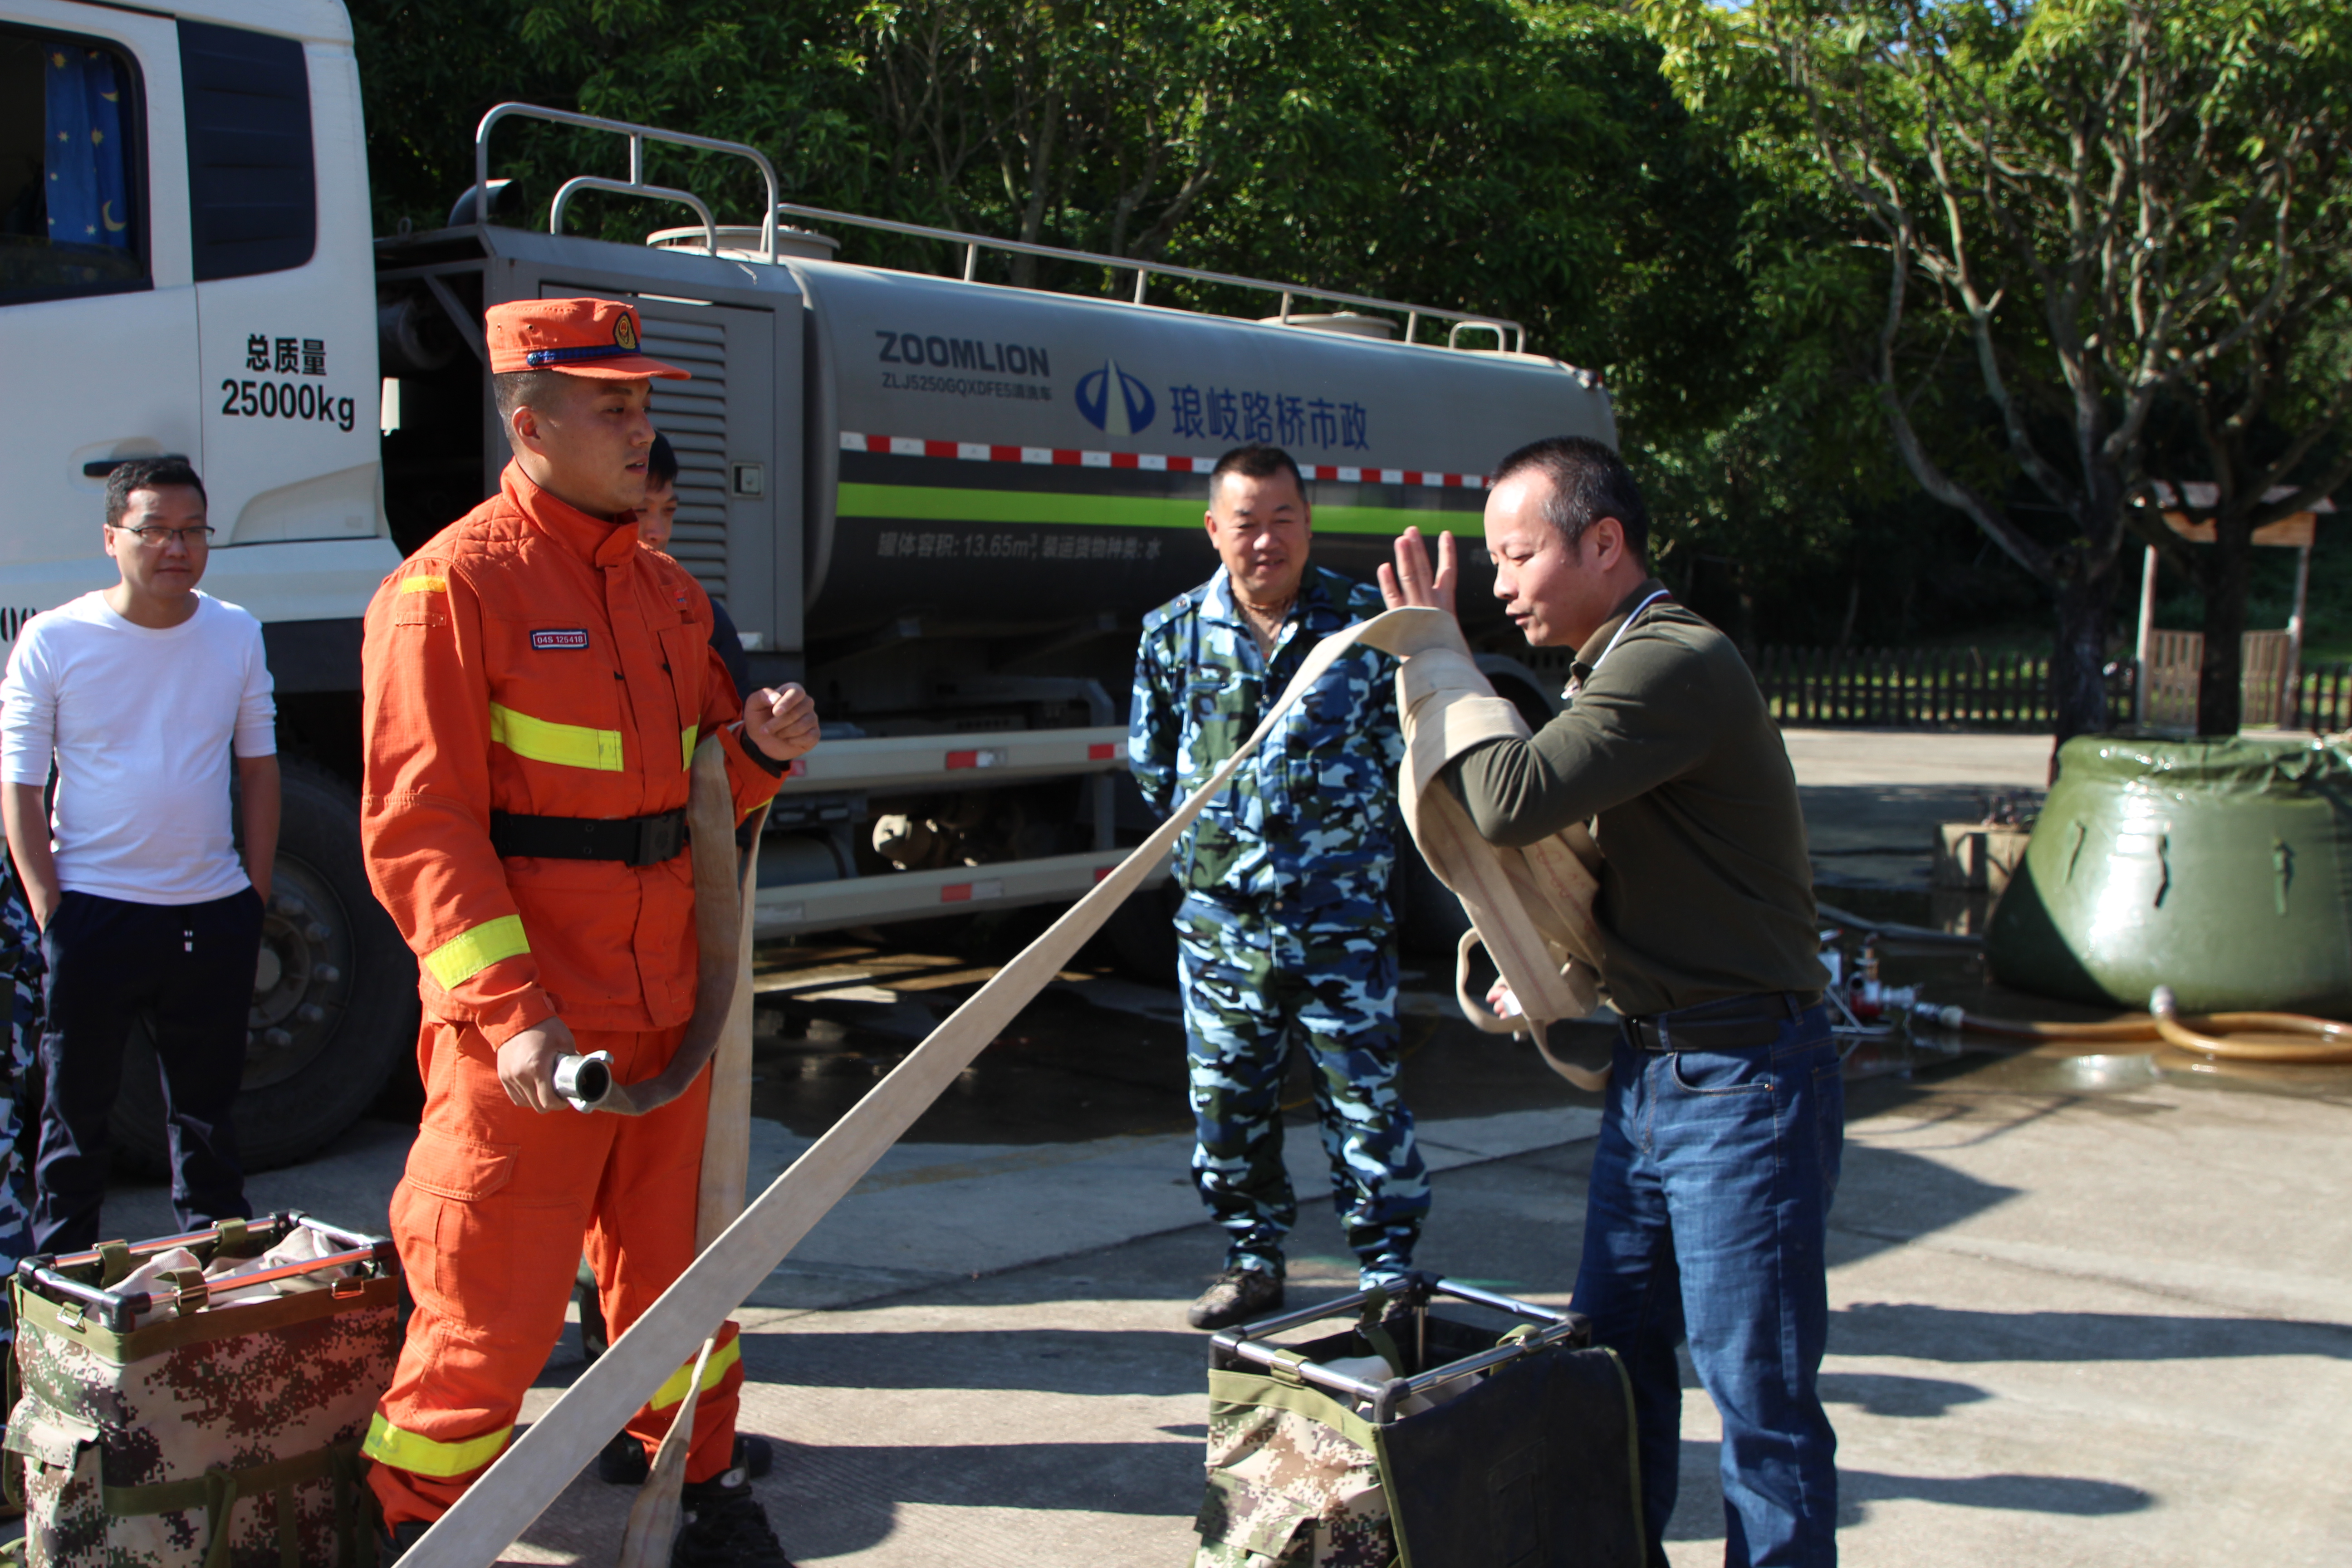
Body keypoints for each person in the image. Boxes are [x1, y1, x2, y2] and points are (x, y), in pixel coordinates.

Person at [358, 297, 819, 1565]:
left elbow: (698, 800)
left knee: (682, 1283)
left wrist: (758, 751)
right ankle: (420, 1528)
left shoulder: (669, 599)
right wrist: (512, 1013)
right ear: (530, 422)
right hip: (532, 1035)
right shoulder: (450, 588)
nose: (639, 424)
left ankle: (698, 1486)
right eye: (611, 403)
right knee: (487, 1309)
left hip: (666, 1007)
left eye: (645, 400)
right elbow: (421, 830)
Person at [1380, 436, 1838, 1568]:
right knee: (1611, 1368)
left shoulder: (1671, 662)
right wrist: (1552, 962)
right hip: (1656, 1077)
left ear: (1603, 542)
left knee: (1758, 1402)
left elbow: (1506, 798)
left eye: (1516, 554)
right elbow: (1610, 869)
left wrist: (1438, 660)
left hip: (1739, 1083)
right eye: (1489, 562)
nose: (1499, 587)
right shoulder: (1608, 668)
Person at [1130, 443, 1427, 1331]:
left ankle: (1387, 1270)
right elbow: (1153, 771)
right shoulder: (1171, 635)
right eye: (1247, 524)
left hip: (1343, 919)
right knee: (1228, 1104)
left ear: (1308, 523)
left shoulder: (1366, 626)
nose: (1266, 541)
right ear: (1216, 531)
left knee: (1366, 1102)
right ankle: (1253, 1258)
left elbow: (1403, 752)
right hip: (1224, 929)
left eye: (1283, 520)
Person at [0, 456, 274, 1255]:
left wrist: (252, 896)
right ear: (113, 537)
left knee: (209, 1128)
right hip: (94, 912)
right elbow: (19, 786)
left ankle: (219, 1299)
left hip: (211, 913)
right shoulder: (55, 638)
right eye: (154, 531)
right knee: (74, 1130)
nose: (176, 549)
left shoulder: (235, 632)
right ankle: (58, 1296)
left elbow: (257, 772)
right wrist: (53, 909)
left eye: (192, 531)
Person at [639, 433, 752, 702]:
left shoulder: (704, 620)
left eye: (669, 510)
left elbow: (728, 735)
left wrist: (761, 736)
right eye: (640, 511)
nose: (658, 533)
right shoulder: (559, 617)